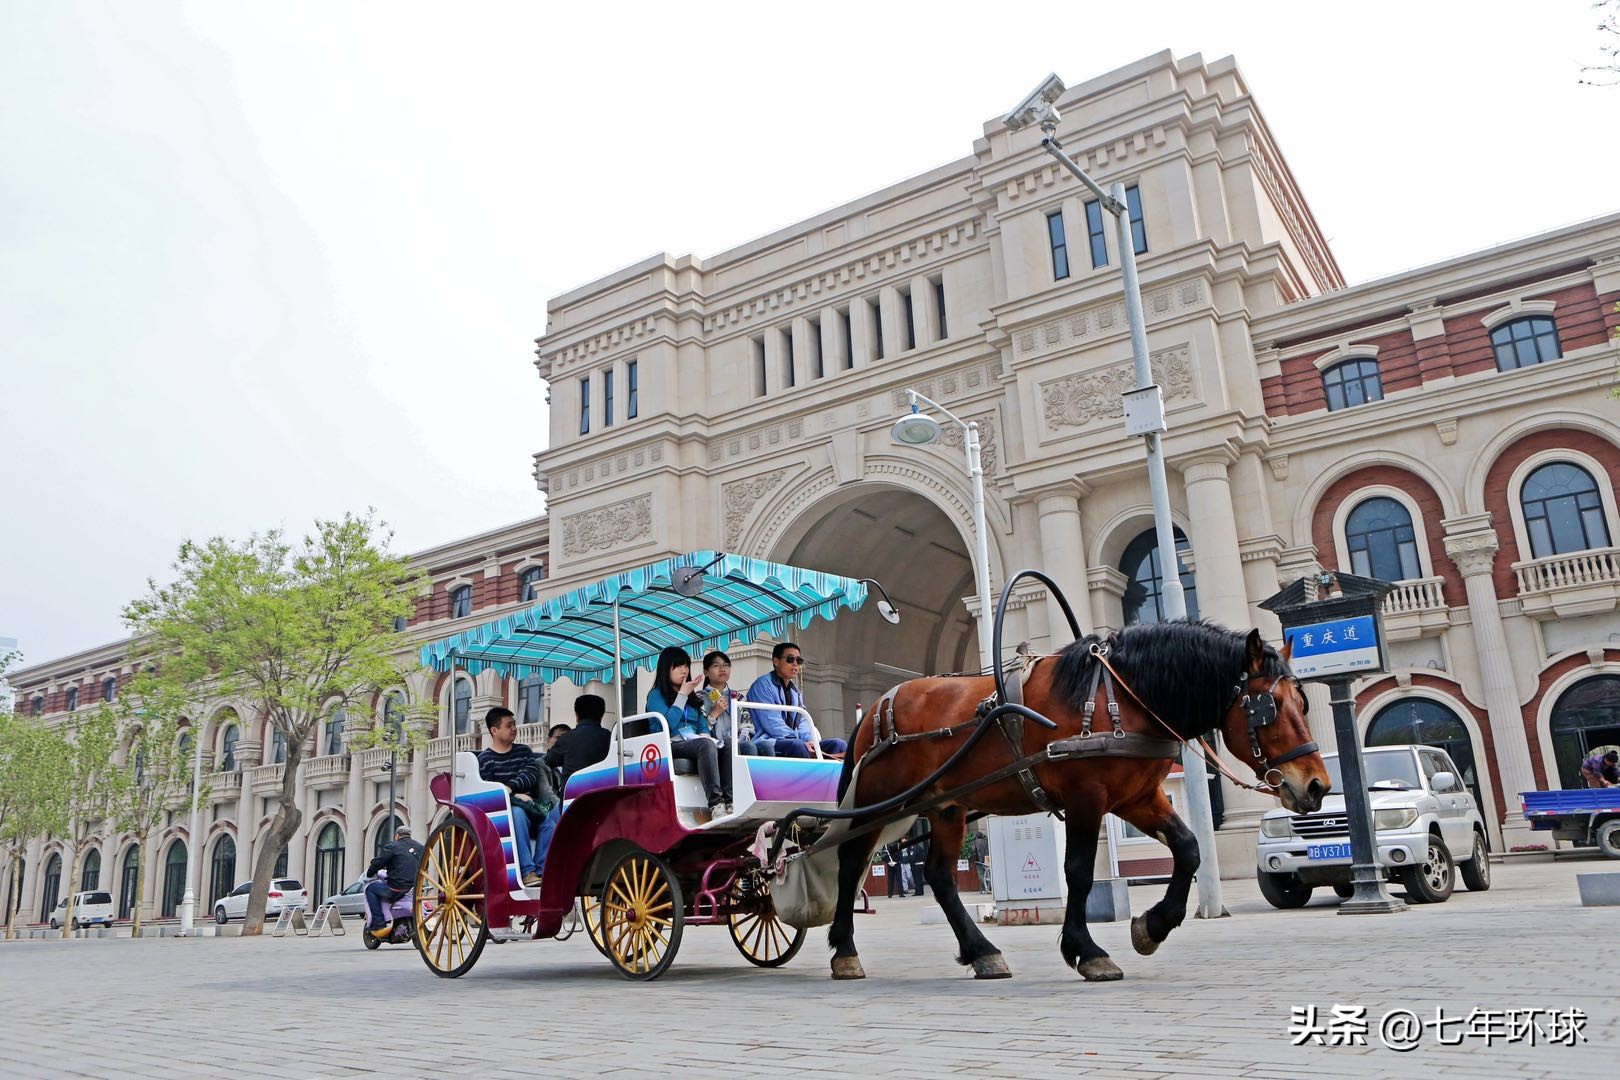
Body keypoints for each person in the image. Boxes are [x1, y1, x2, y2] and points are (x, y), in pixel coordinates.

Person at [529, 695, 611, 879]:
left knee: (549, 820)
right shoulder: (610, 738)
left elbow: (550, 761)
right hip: (606, 802)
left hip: (574, 805)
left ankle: (542, 869)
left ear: (576, 715)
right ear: (602, 714)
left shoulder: (568, 739)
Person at [646, 645, 734, 815]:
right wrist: (682, 696)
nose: (684, 671)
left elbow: (701, 726)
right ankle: (716, 804)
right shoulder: (656, 695)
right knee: (705, 745)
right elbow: (668, 725)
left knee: (728, 745)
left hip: (692, 741)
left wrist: (707, 736)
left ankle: (730, 801)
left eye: (686, 666)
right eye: (678, 666)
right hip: (669, 743)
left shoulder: (692, 695)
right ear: (666, 669)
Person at [477, 706, 551, 889]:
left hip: (532, 807)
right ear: (494, 731)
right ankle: (527, 872)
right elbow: (491, 791)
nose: (514, 729)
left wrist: (509, 787)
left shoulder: (524, 752)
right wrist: (513, 795)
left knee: (550, 821)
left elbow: (530, 775)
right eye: (509, 725)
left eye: (514, 724)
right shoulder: (485, 760)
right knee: (516, 813)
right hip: (503, 814)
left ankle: (542, 870)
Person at [744, 641, 847, 758]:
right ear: (776, 661)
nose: (795, 664)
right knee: (798, 745)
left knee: (838, 744)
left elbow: (802, 720)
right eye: (790, 659)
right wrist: (800, 741)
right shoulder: (762, 685)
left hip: (795, 740)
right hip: (770, 741)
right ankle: (810, 776)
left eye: (799, 661)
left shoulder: (795, 691)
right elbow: (772, 723)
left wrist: (810, 740)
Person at [365, 826, 424, 939]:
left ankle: (379, 923)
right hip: (415, 887)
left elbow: (379, 862)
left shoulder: (392, 846)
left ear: (397, 836)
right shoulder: (420, 847)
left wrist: (370, 872)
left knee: (371, 889)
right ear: (409, 835)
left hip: (397, 888)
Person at [697, 650, 758, 756]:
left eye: (726, 665)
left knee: (757, 746)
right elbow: (699, 731)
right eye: (716, 665)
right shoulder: (699, 698)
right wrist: (714, 713)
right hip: (712, 747)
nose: (722, 669)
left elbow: (747, 727)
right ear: (706, 672)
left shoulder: (738, 697)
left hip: (738, 743)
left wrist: (741, 738)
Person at [905, 818, 929, 897]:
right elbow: (924, 856)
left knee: (917, 879)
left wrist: (911, 864)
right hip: (920, 864)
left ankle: (918, 892)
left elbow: (912, 857)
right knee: (919, 879)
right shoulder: (919, 847)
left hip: (916, 865)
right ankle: (920, 891)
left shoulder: (913, 848)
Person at [970, 830, 991, 894]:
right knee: (987, 874)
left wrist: (974, 860)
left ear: (976, 836)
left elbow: (973, 852)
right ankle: (986, 889)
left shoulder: (974, 842)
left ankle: (985, 888)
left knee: (981, 874)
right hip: (987, 860)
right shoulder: (986, 842)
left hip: (978, 861)